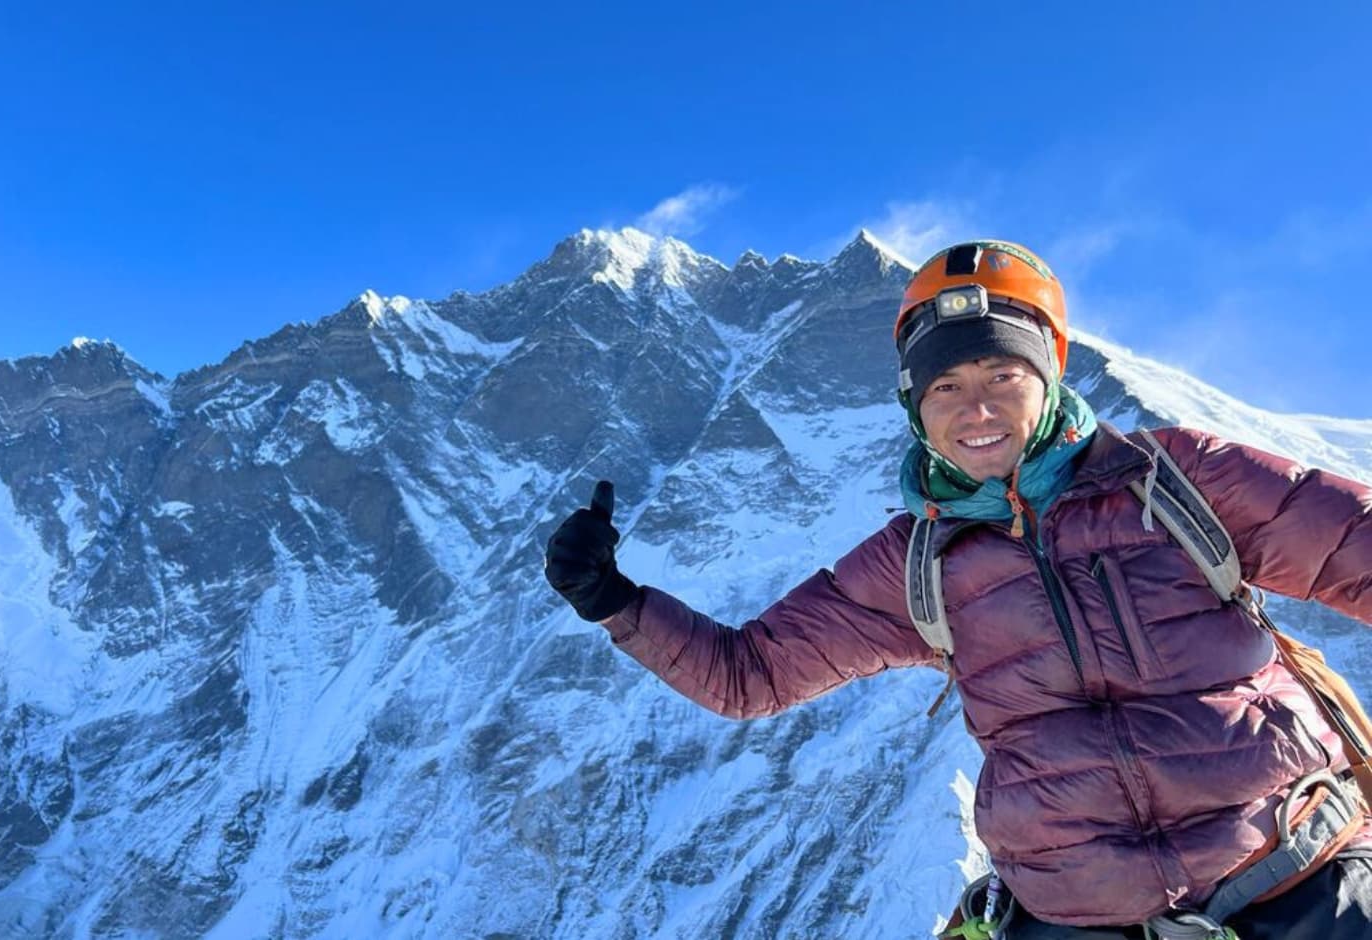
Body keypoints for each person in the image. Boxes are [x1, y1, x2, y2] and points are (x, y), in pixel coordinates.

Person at [543, 240, 1372, 939]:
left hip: (1296, 871)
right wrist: (615, 601)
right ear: (915, 406)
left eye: (999, 374)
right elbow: (749, 675)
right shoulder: (914, 565)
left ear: (1048, 376)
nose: (974, 408)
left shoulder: (1178, 481)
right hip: (1079, 911)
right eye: (944, 386)